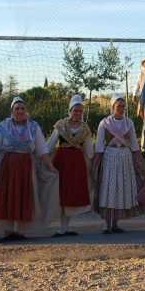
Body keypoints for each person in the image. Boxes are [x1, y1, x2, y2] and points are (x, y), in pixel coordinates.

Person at [0, 97, 60, 242]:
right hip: (7, 166)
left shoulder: (34, 126)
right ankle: (7, 230)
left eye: (22, 108)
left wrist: (51, 167)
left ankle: (19, 230)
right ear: (12, 111)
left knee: (23, 196)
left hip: (27, 165)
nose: (20, 111)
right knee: (7, 197)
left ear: (26, 111)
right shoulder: (4, 126)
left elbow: (41, 149)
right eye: (17, 108)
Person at [92, 94, 145, 234]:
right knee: (108, 189)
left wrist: (143, 163)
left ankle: (116, 223)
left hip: (125, 158)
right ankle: (106, 223)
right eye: (119, 106)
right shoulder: (104, 123)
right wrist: (94, 165)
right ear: (112, 107)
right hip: (110, 157)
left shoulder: (129, 123)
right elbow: (99, 147)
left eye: (123, 106)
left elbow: (134, 145)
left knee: (120, 189)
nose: (121, 109)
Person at [46, 94, 94, 237]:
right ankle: (62, 227)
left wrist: (93, 162)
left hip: (77, 162)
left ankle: (65, 228)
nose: (77, 113)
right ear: (69, 111)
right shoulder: (61, 125)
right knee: (62, 191)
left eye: (80, 111)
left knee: (71, 193)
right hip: (62, 161)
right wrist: (42, 156)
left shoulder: (84, 128)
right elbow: (50, 145)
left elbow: (89, 149)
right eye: (75, 110)